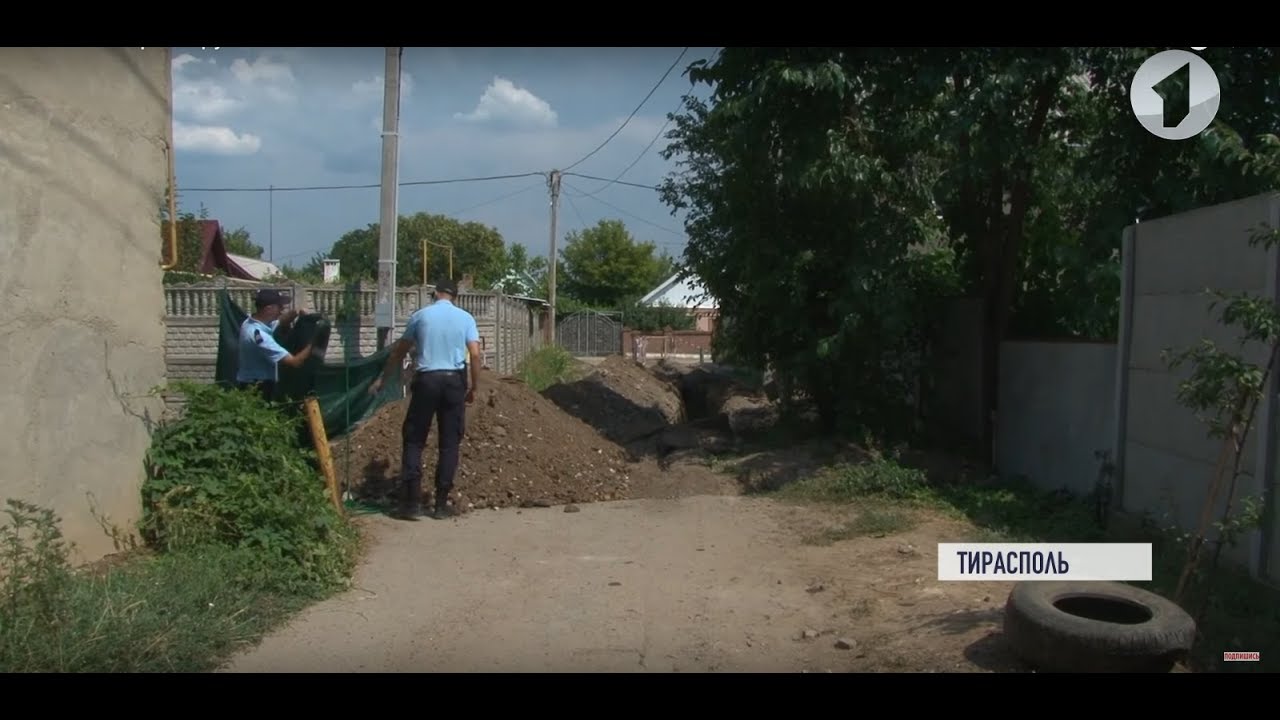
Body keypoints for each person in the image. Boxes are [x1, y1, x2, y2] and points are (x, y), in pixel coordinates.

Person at [370, 278, 481, 521]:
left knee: (414, 440)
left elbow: (400, 351)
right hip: (454, 382)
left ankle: (411, 504)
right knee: (449, 443)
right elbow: (474, 353)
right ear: (455, 296)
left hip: (427, 380)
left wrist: (382, 379)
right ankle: (440, 505)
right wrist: (474, 387)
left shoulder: (420, 316)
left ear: (435, 293)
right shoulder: (466, 318)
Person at [236, 288, 314, 402]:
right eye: (280, 307)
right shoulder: (259, 336)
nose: (282, 310)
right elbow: (294, 362)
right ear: (269, 309)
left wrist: (297, 312)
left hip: (252, 383)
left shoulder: (252, 322)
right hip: (257, 388)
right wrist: (315, 342)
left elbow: (282, 321)